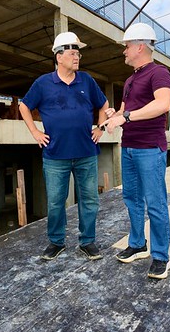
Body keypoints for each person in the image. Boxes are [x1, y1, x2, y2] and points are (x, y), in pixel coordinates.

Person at [19, 31, 109, 261]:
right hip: (55, 155)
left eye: (78, 53)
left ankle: (87, 241)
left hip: (86, 153)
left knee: (89, 199)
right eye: (72, 52)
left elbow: (104, 104)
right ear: (59, 57)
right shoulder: (43, 83)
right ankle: (56, 242)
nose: (77, 56)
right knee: (56, 201)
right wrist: (35, 132)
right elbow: (24, 106)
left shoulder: (86, 80)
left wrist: (100, 127)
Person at [101, 22, 170, 279]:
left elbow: (163, 104)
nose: (124, 51)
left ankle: (161, 256)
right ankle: (137, 244)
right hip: (129, 148)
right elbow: (124, 111)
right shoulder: (131, 79)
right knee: (131, 199)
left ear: (140, 46)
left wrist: (127, 116)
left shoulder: (159, 73)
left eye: (127, 46)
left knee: (155, 202)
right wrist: (114, 115)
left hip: (149, 149)